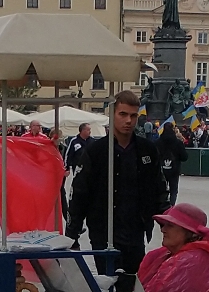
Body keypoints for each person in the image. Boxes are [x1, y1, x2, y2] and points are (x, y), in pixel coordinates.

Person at [66, 90, 169, 274]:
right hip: (103, 230)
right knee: (107, 281)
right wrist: (72, 234)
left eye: (133, 115)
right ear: (112, 115)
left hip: (135, 229)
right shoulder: (96, 151)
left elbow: (159, 189)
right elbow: (79, 193)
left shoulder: (147, 150)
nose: (128, 120)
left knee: (132, 281)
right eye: (123, 114)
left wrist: (169, 224)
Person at [156, 123, 188, 205]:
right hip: (174, 169)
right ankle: (171, 206)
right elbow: (184, 157)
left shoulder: (157, 142)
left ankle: (162, 206)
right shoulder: (178, 143)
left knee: (161, 189)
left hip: (161, 170)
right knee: (173, 190)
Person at [49, 128, 69, 221]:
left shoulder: (62, 147)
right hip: (52, 176)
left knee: (62, 196)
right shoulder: (48, 146)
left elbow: (65, 159)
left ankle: (68, 219)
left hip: (59, 176)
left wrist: (66, 169)